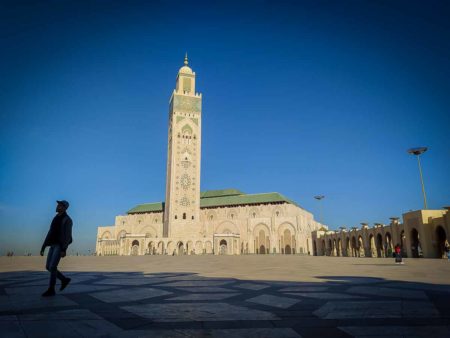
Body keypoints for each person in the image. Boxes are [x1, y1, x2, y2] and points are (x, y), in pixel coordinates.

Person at [40, 200, 73, 297]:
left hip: (59, 245)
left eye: (59, 205)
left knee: (52, 267)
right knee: (48, 267)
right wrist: (44, 246)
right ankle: (64, 279)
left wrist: (64, 249)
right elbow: (50, 232)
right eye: (58, 205)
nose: (57, 206)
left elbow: (67, 236)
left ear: (64, 208)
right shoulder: (55, 218)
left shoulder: (67, 220)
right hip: (52, 244)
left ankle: (51, 289)